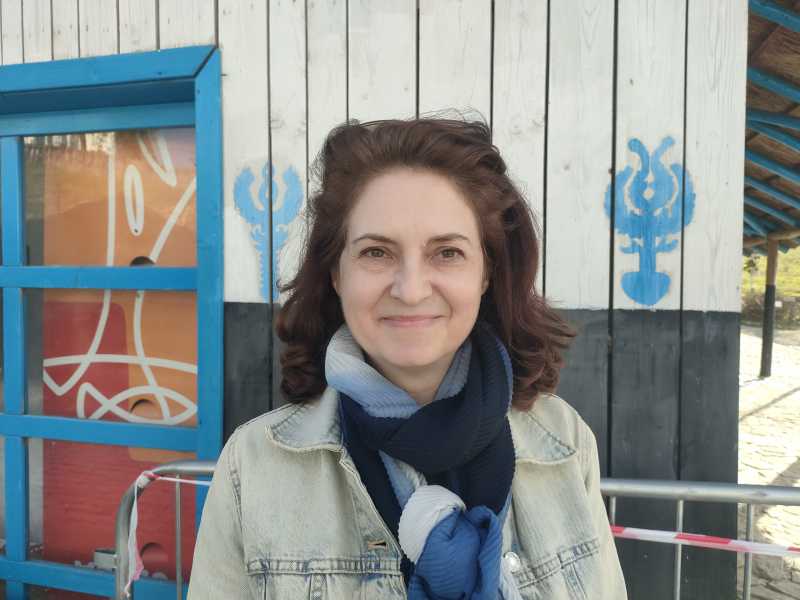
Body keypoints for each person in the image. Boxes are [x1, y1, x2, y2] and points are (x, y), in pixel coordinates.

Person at [188, 117, 628, 599]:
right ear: (336, 273)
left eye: (447, 252)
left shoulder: (565, 443)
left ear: (486, 272)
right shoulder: (252, 467)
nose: (411, 289)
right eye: (377, 253)